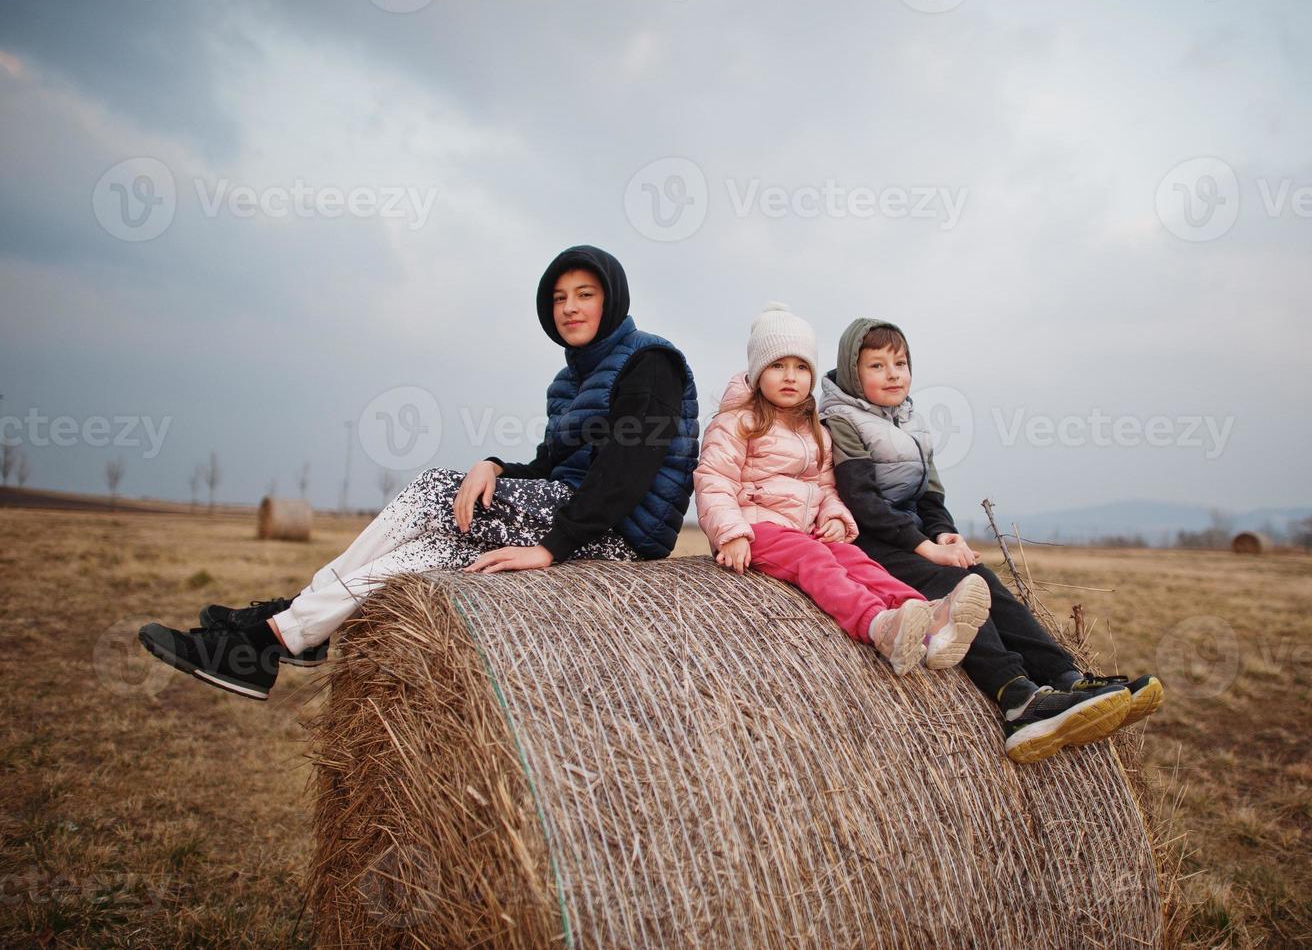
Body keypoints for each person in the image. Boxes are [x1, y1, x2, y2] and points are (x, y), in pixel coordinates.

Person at [138, 245, 699, 700]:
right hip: (566, 513)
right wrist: (495, 466)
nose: (569, 307)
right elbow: (552, 466)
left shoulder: (649, 363)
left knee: (435, 488)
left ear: (614, 299)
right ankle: (288, 631)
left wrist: (551, 548)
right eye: (558, 298)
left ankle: (281, 626)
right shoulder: (570, 380)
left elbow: (627, 471)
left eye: (585, 294)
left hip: (615, 537)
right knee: (426, 554)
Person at [818, 318, 1164, 763]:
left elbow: (929, 495)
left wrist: (944, 531)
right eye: (877, 365)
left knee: (987, 585)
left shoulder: (911, 424)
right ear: (851, 373)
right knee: (955, 592)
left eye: (900, 363)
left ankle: (1066, 676)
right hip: (868, 541)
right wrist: (927, 548)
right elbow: (862, 501)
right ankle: (1016, 696)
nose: (893, 374)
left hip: (913, 535)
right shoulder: (841, 419)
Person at [694, 303, 990, 677]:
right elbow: (713, 480)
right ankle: (877, 625)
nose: (791, 377)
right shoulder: (736, 422)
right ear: (756, 373)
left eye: (801, 367)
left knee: (855, 560)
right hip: (756, 529)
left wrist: (834, 516)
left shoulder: (814, 428)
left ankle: (926, 618)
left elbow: (825, 486)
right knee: (814, 560)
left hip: (803, 529)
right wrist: (730, 534)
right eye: (777, 366)